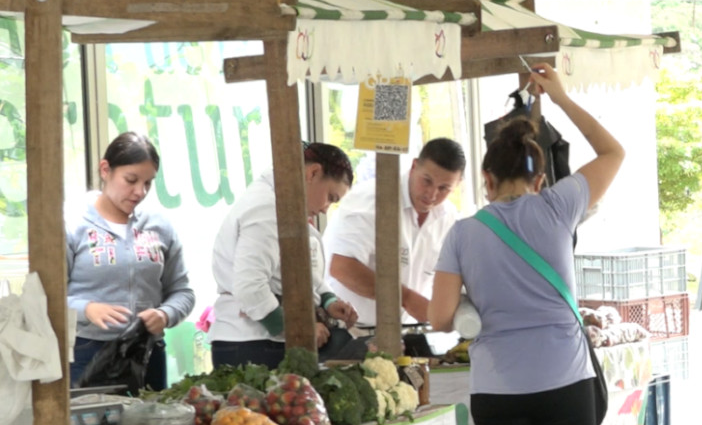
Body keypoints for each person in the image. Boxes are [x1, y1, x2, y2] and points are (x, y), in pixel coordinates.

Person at [428, 64, 624, 425]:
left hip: (499, 388)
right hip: (565, 379)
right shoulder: (559, 206)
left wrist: (475, 301)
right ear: (541, 180)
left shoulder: (462, 235)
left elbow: (439, 317)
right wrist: (559, 96)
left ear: (485, 181)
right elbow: (613, 153)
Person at [209, 143, 359, 370]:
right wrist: (300, 328)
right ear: (313, 173)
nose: (325, 208)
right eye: (330, 196)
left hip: (262, 342)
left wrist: (328, 300)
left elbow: (296, 272)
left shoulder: (283, 205)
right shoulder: (266, 208)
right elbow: (250, 286)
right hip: (252, 345)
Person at [66, 132, 195, 392]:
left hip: (148, 351)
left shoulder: (160, 225)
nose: (140, 192)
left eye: (148, 183)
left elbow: (183, 291)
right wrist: (87, 308)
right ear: (106, 170)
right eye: (131, 180)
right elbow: (46, 297)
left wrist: (165, 314)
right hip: (88, 350)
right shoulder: (72, 225)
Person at [325, 138, 466, 329]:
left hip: (405, 330)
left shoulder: (448, 217)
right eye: (427, 181)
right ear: (414, 166)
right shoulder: (371, 200)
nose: (432, 194)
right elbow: (342, 268)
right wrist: (406, 298)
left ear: (457, 186)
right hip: (347, 330)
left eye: (444, 188)